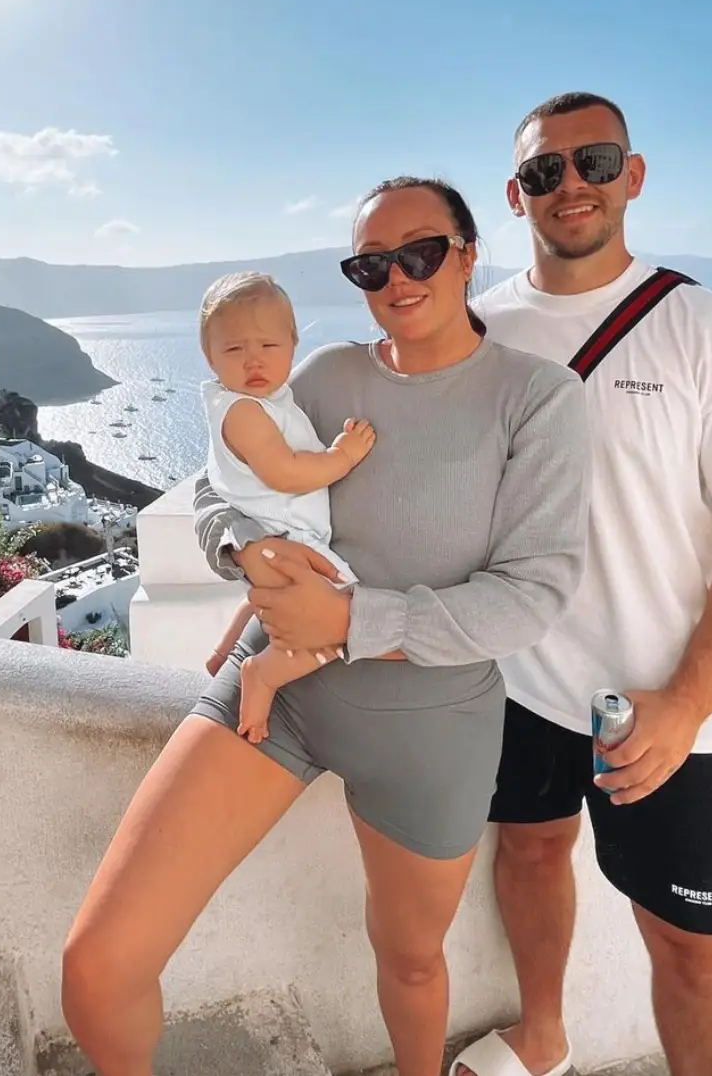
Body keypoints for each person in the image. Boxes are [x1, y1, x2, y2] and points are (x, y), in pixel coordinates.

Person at [63, 175, 591, 1076]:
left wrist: (348, 618)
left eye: (421, 252)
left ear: (468, 254)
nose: (398, 278)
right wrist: (243, 550)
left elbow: (531, 593)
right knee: (97, 967)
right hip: (276, 695)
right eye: (371, 264)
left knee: (412, 961)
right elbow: (220, 490)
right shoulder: (326, 377)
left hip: (429, 729)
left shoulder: (538, 397)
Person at [452, 92, 712, 1076]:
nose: (570, 185)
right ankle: (541, 1038)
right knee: (527, 853)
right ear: (514, 195)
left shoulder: (710, 333)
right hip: (516, 678)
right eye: (542, 170)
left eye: (593, 161)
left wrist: (686, 703)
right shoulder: (475, 330)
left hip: (662, 701)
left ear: (631, 176)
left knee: (691, 952)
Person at [198, 269, 377, 742]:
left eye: (268, 345)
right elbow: (286, 472)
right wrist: (343, 456)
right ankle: (264, 674)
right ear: (209, 356)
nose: (253, 359)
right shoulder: (244, 412)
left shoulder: (264, 401)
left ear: (293, 344)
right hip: (284, 535)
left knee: (266, 600)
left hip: (276, 533)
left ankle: (222, 652)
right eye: (234, 349)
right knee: (340, 623)